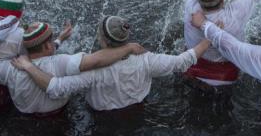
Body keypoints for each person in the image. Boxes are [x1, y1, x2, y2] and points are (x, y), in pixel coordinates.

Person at [13, 15, 211, 111]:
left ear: (104, 41)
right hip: (138, 113)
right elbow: (183, 61)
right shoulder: (147, 60)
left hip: (104, 123)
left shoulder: (94, 72)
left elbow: (55, 88)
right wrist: (210, 36)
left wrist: (29, 66)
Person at [0, 20, 146, 115]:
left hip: (25, 122)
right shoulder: (60, 63)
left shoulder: (10, 68)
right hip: (59, 118)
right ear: (46, 46)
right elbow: (97, 61)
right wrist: (128, 47)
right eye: (51, 41)